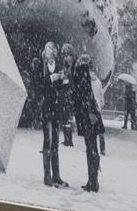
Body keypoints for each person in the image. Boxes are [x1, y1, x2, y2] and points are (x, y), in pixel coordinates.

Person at [32, 41, 67, 189]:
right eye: (49, 49)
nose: (51, 51)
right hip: (46, 106)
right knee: (48, 140)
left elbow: (62, 87)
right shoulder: (41, 65)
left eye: (53, 49)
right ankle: (47, 175)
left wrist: (62, 79)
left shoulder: (58, 66)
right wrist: (50, 78)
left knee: (56, 141)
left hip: (56, 107)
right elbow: (38, 85)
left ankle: (56, 175)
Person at [71, 53, 103, 193]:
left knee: (91, 148)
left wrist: (90, 112)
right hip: (90, 114)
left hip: (89, 115)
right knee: (92, 147)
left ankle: (93, 181)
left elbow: (86, 96)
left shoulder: (83, 75)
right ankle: (93, 180)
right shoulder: (90, 77)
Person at [58, 43, 76, 148]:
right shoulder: (66, 67)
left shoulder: (74, 67)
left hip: (69, 96)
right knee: (64, 118)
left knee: (68, 118)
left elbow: (74, 82)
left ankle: (69, 140)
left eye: (67, 56)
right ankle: (66, 139)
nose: (65, 58)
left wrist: (66, 79)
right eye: (64, 56)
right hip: (64, 95)